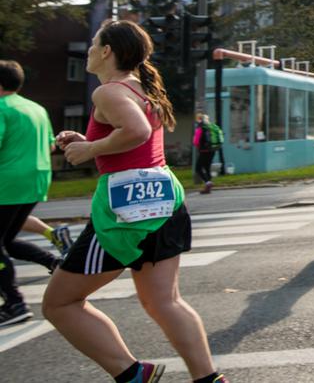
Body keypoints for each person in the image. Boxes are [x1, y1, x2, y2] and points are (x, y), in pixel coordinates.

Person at [42, 20, 227, 383]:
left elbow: (136, 132)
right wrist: (88, 139)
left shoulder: (108, 91)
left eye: (95, 44)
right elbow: (135, 141)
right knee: (164, 302)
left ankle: (133, 374)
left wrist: (91, 148)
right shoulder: (141, 89)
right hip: (164, 201)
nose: (90, 50)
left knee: (59, 303)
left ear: (107, 51)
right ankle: (209, 380)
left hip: (126, 211)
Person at [0, 60, 61, 327]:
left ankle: (14, 302)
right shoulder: (36, 108)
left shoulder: (2, 108)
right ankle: (55, 263)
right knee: (8, 241)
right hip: (36, 181)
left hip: (6, 183)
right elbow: (51, 147)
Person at [193, 114, 216, 194]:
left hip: (204, 151)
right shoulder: (210, 126)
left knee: (198, 168)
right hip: (212, 150)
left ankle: (208, 183)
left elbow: (195, 142)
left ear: (199, 119)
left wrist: (199, 146)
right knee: (207, 168)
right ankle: (208, 188)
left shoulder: (200, 127)